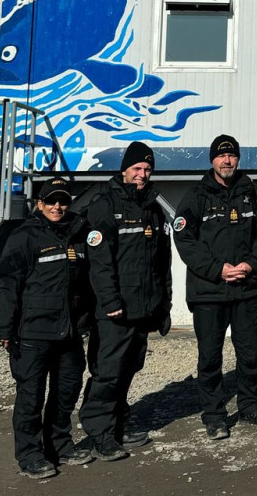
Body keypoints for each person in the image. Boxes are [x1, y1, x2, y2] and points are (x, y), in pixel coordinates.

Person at [173, 135, 257, 440]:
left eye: (232, 155)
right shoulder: (196, 196)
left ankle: (250, 406)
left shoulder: (253, 193)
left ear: (238, 159)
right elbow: (184, 240)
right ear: (212, 160)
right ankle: (214, 415)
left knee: (250, 354)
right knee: (210, 357)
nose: (227, 160)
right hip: (209, 291)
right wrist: (217, 269)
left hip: (247, 288)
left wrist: (252, 264)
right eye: (221, 156)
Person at [79, 141, 173, 461]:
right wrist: (109, 301)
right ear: (124, 170)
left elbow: (162, 262)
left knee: (130, 367)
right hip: (115, 310)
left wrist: (164, 305)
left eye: (147, 169)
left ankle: (118, 424)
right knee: (107, 371)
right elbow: (99, 261)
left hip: (143, 308)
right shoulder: (105, 205)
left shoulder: (152, 208)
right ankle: (100, 433)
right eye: (137, 169)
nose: (142, 175)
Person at [0, 177, 95, 479]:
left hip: (69, 331)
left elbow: (89, 280)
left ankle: (59, 444)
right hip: (33, 332)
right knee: (31, 396)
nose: (57, 206)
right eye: (51, 200)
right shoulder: (24, 236)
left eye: (63, 200)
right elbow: (8, 284)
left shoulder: (79, 233)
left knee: (66, 391)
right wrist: (4, 328)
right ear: (40, 203)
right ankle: (29, 454)